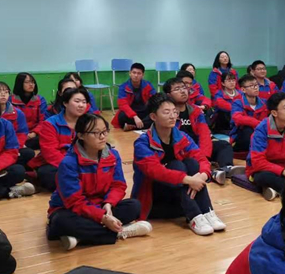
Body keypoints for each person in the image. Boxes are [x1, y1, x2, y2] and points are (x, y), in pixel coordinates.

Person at [47, 113, 152, 251]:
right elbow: (74, 202)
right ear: (81, 135)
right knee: (61, 221)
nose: (102, 136)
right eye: (96, 133)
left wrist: (109, 204)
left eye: (104, 131)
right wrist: (102, 218)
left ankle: (80, 237)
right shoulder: (69, 163)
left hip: (101, 205)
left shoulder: (113, 155)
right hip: (71, 209)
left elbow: (118, 185)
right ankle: (121, 232)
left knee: (134, 206)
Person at [132, 93, 225, 236]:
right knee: (177, 165)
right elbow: (156, 171)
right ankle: (194, 216)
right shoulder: (143, 143)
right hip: (155, 200)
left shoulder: (181, 137)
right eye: (166, 112)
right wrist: (189, 180)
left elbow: (201, 158)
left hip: (179, 198)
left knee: (192, 163)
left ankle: (207, 211)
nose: (172, 116)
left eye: (174, 112)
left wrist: (202, 176)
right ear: (153, 117)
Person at [163, 77, 242, 184]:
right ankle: (211, 173)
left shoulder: (195, 110)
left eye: (184, 87)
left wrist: (204, 157)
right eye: (177, 89)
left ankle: (226, 168)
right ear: (168, 95)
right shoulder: (168, 114)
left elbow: (204, 135)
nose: (182, 91)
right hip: (182, 151)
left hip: (197, 147)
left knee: (224, 145)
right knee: (188, 164)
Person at [30, 87, 90, 191]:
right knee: (48, 174)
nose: (81, 105)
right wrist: (71, 166)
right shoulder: (50, 124)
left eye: (84, 102)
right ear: (65, 103)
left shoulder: (90, 123)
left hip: (81, 161)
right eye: (77, 101)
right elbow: (50, 153)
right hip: (56, 163)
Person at [0, 81, 35, 167]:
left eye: (6, 92)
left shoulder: (18, 113)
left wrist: (15, 147)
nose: (3, 94)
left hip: (11, 147)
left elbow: (22, 133)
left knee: (28, 153)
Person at [111, 62, 156, 131]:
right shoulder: (123, 87)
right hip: (131, 113)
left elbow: (155, 98)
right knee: (121, 115)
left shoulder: (148, 85)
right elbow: (123, 104)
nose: (136, 75)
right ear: (130, 73)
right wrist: (134, 116)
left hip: (144, 111)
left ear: (143, 75)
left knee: (155, 115)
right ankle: (142, 125)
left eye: (139, 73)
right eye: (134, 73)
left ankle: (133, 127)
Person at [230, 74, 268, 153]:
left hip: (260, 133)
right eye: (251, 86)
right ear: (243, 90)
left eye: (256, 85)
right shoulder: (238, 103)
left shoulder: (264, 102)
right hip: (241, 136)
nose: (256, 87)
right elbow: (237, 118)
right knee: (248, 130)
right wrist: (258, 124)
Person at [11, 72, 48, 149]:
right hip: (17, 134)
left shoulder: (40, 100)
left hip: (34, 135)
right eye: (27, 82)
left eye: (33, 82)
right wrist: (22, 135)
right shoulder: (11, 100)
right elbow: (9, 122)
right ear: (19, 84)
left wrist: (34, 133)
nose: (31, 84)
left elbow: (43, 121)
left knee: (45, 138)